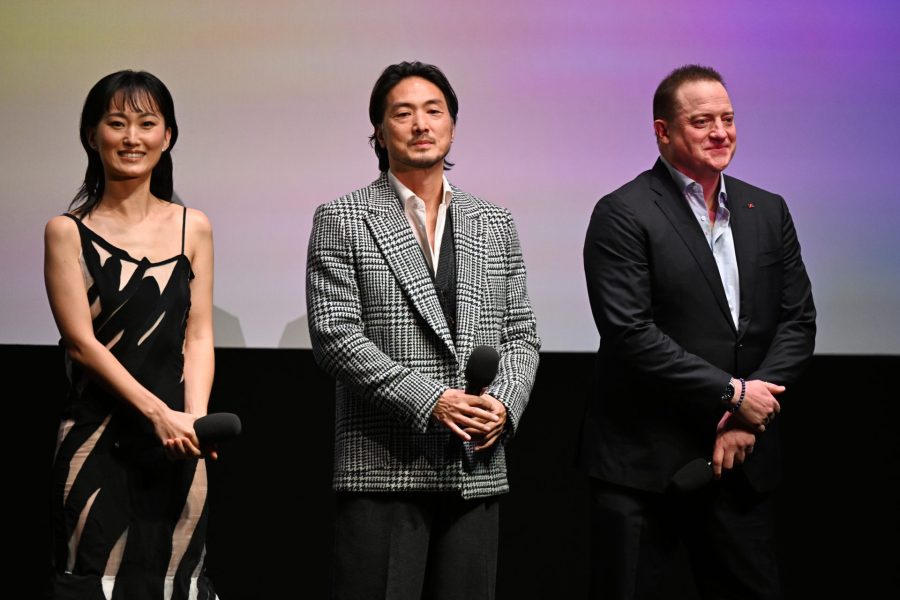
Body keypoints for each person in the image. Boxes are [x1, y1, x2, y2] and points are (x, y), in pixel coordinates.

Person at [579, 65, 816, 599]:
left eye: (728, 119)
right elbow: (630, 333)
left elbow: (797, 321)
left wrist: (748, 412)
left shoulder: (767, 210)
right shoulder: (623, 213)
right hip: (644, 466)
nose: (720, 132)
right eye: (702, 121)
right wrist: (732, 393)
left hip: (742, 461)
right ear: (663, 131)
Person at [306, 61, 540, 599]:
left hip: (474, 464)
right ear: (380, 132)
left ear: (452, 127)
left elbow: (522, 334)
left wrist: (502, 406)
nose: (421, 124)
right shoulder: (343, 217)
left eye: (434, 111)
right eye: (403, 113)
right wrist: (431, 399)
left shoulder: (494, 221)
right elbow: (335, 335)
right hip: (384, 464)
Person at [45, 70, 217, 599]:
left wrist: (192, 419)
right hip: (95, 439)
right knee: (98, 581)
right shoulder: (66, 231)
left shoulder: (195, 227)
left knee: (177, 578)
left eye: (147, 124)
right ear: (91, 135)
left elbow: (199, 336)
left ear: (167, 137)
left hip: (178, 442)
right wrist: (156, 413)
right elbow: (81, 344)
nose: (131, 138)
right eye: (116, 123)